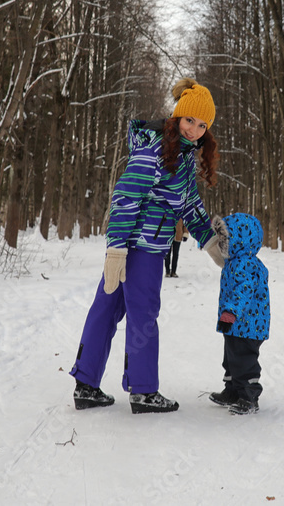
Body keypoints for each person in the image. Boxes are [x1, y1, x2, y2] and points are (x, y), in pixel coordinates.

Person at [71, 78, 228, 414]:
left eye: (203, 125)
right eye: (190, 121)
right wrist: (117, 248)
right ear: (177, 116)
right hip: (141, 246)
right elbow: (126, 196)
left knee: (107, 308)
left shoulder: (182, 155)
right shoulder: (155, 147)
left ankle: (86, 386)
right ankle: (143, 391)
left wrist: (211, 242)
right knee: (141, 314)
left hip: (138, 245)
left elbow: (188, 205)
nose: (195, 130)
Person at [208, 213, 270, 415]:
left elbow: (243, 291)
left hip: (249, 325)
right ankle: (233, 391)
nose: (222, 244)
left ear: (240, 241)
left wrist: (230, 312)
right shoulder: (235, 262)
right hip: (237, 325)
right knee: (231, 359)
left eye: (225, 239)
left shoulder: (247, 264)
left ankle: (249, 395)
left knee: (244, 361)